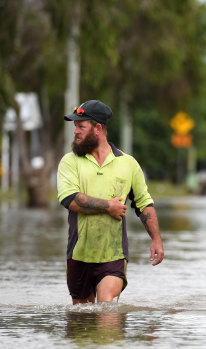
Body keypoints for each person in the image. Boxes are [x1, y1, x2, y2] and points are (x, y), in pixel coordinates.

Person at [57, 99, 164, 304]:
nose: (75, 131)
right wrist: (109, 206)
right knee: (82, 323)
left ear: (98, 128)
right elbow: (70, 200)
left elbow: (143, 204)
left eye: (81, 126)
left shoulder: (128, 163)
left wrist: (156, 239)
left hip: (113, 255)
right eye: (75, 127)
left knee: (105, 304)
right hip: (78, 254)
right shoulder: (69, 162)